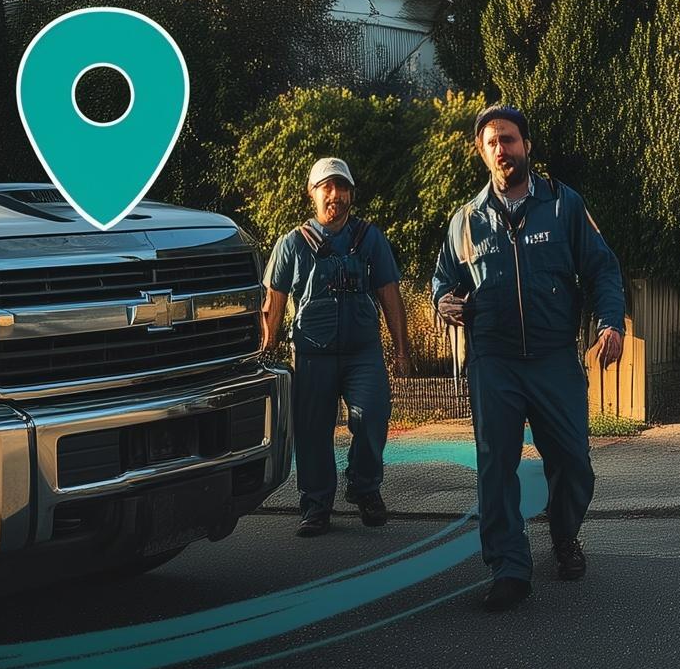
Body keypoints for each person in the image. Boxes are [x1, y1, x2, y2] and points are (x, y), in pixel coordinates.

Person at [430, 105, 626, 613]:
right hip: (492, 359)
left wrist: (610, 322)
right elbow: (443, 282)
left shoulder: (563, 205)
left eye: (510, 139)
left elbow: (602, 269)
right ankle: (509, 567)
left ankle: (564, 535)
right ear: (481, 151)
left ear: (527, 146)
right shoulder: (465, 221)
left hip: (553, 356)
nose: (502, 149)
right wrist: (442, 302)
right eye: (492, 142)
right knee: (496, 465)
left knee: (573, 460)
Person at [261, 156, 410, 536]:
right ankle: (316, 505)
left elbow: (390, 293)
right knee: (312, 433)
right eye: (326, 187)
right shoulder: (292, 243)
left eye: (342, 187)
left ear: (351, 194)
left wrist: (402, 349)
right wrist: (266, 347)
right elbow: (274, 299)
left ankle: (364, 486)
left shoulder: (370, 238)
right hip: (312, 354)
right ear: (311, 193)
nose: (335, 195)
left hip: (363, 352)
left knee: (372, 416)